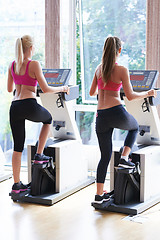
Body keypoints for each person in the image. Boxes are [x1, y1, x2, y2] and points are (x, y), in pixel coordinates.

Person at [89, 36, 156, 204]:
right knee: (134, 127)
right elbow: (131, 95)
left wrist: (105, 90)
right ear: (119, 50)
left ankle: (98, 195)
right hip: (116, 111)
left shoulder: (99, 69)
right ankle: (124, 158)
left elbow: (92, 93)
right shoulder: (121, 70)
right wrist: (148, 93)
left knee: (104, 157)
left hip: (101, 116)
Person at [7, 35, 69, 194]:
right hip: (29, 104)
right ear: (31, 48)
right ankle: (39, 154)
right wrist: (62, 88)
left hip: (15, 106)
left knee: (17, 147)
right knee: (48, 119)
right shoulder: (34, 64)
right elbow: (46, 89)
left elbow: (9, 89)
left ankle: (16, 185)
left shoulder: (12, 65)